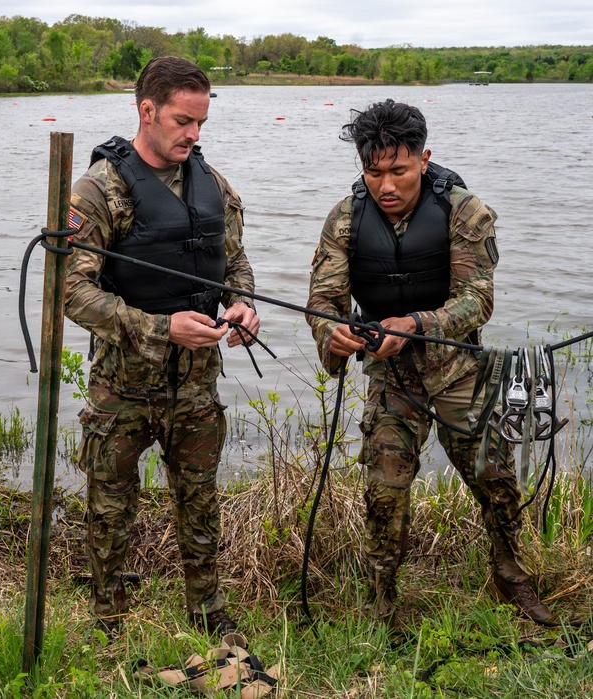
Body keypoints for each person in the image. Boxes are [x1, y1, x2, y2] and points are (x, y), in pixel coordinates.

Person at [306, 99, 553, 625]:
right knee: (383, 492)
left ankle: (511, 579)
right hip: (392, 379)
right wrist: (338, 335)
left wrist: (415, 325)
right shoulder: (345, 217)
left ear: (424, 158)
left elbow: (477, 300)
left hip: (460, 375)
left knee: (498, 485)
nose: (386, 185)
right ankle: (383, 602)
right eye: (374, 172)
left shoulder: (466, 212)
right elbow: (321, 302)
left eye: (399, 170)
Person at [63, 56, 260, 637]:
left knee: (199, 501)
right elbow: (72, 292)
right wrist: (159, 328)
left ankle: (206, 610)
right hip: (122, 385)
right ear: (145, 111)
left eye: (201, 122)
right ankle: (108, 616)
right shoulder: (99, 191)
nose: (194, 135)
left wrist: (241, 305)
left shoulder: (215, 185)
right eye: (182, 121)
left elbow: (236, 261)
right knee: (110, 506)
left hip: (197, 383)